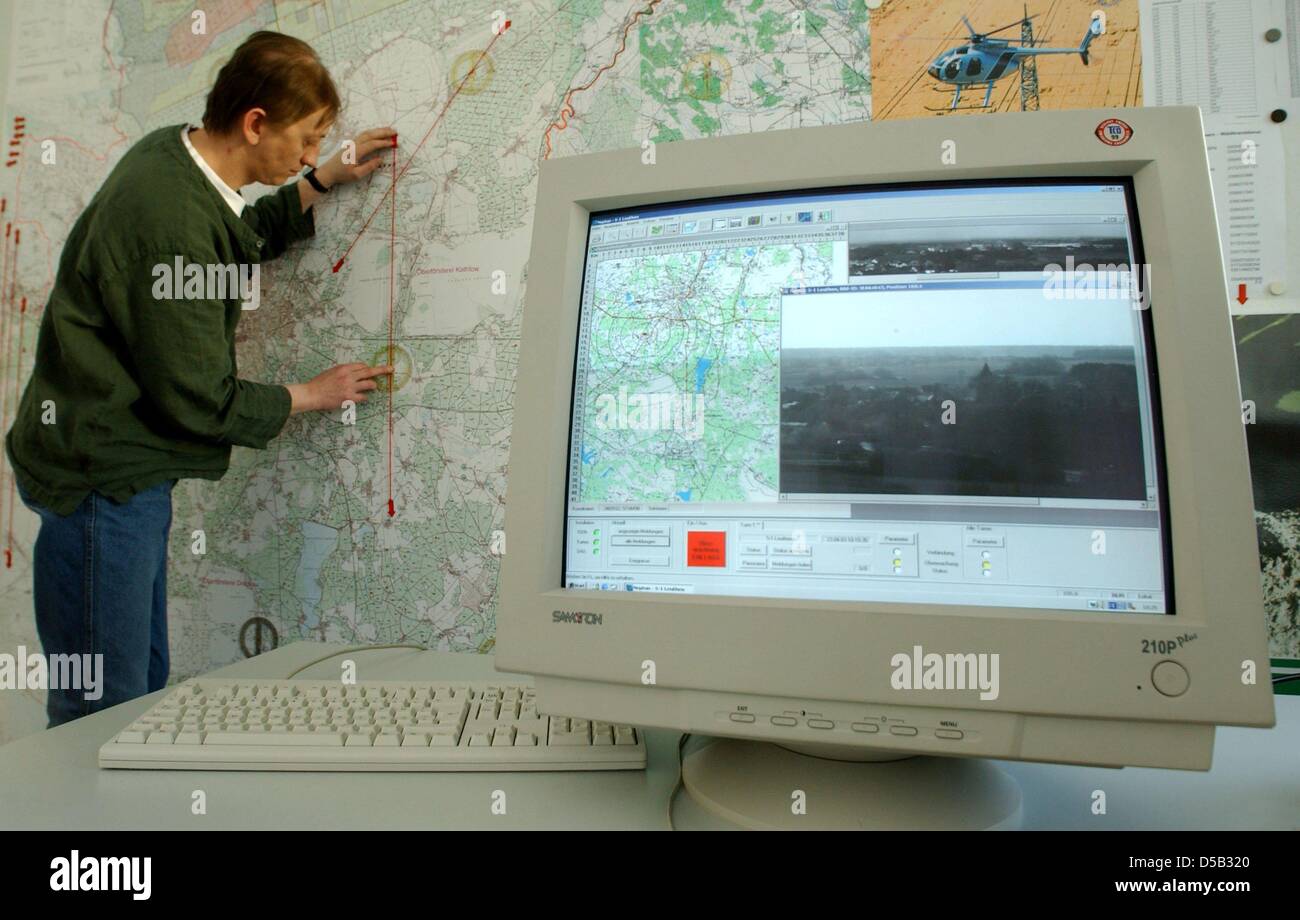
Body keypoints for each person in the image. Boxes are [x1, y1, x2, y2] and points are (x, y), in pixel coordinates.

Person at [4, 31, 394, 727]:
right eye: (306, 140)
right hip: (102, 480)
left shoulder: (177, 154)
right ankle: (90, 835)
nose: (309, 153)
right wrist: (312, 393)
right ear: (255, 123)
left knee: (138, 684)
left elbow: (230, 234)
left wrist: (321, 179)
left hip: (116, 472)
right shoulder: (171, 222)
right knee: (101, 706)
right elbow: (199, 400)